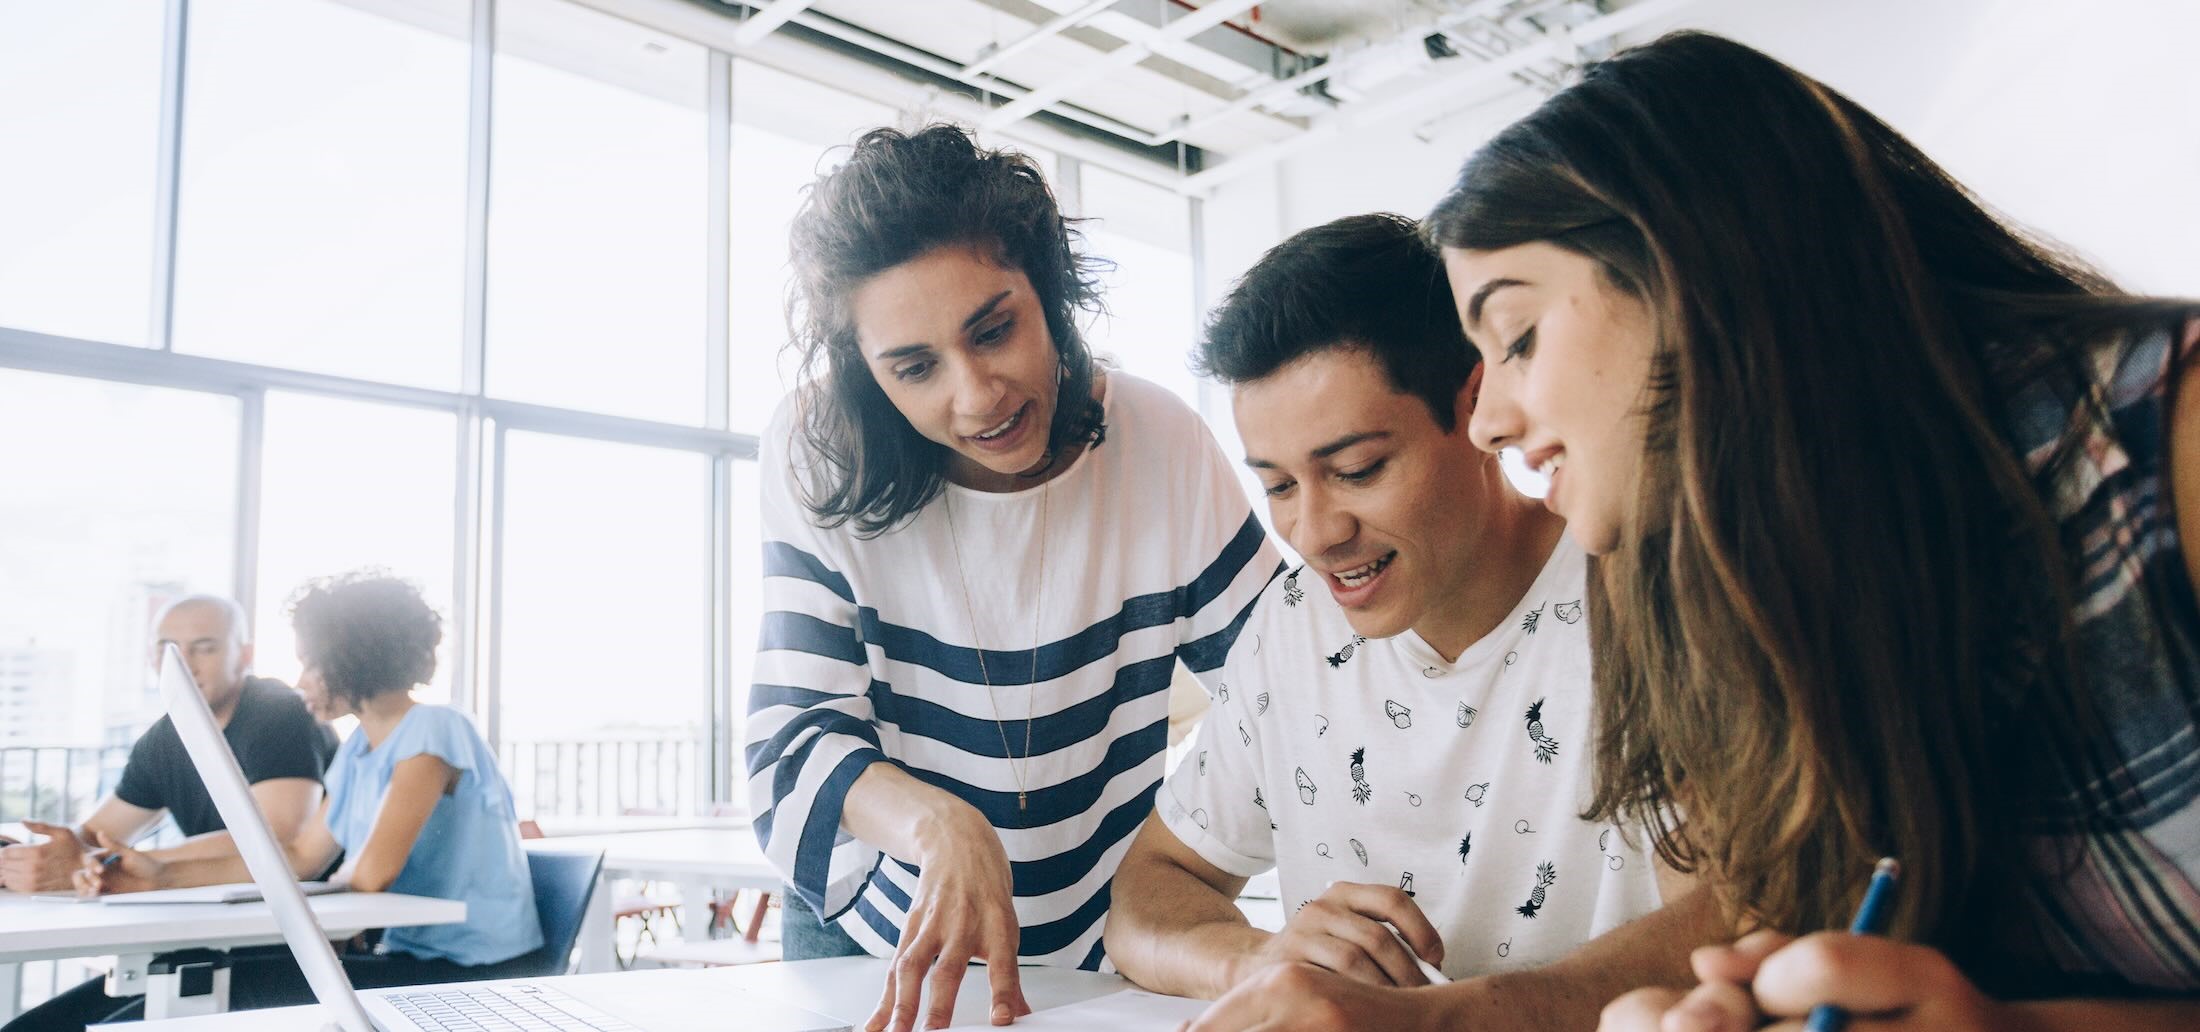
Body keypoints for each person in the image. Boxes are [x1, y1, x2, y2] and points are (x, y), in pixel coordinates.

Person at [1419, 31, 2200, 1032]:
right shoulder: (1718, 599)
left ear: (1699, 265)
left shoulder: (2164, 445)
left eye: (1518, 337)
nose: (1487, 425)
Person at [1106, 213, 1718, 1030]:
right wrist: (1256, 959)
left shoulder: (1642, 597)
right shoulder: (1290, 629)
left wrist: (1443, 1019)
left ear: (1476, 406)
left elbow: (1737, 916)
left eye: (1357, 470)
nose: (1316, 534)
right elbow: (1148, 893)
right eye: (1280, 486)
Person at [746, 123, 1280, 1032]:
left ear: (1051, 292)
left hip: (1100, 936)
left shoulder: (1160, 443)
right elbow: (794, 743)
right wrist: (937, 824)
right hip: (882, 942)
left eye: (994, 330)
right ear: (870, 377)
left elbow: (1290, 692)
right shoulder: (820, 452)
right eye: (915, 368)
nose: (977, 394)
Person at [79, 571, 542, 1011]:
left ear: (352, 658)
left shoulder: (435, 728)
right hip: (409, 956)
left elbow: (374, 873)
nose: (299, 682)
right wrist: (157, 873)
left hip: (475, 970)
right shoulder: (359, 750)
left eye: (309, 664)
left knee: (230, 991)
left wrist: (318, 889)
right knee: (215, 983)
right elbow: (301, 855)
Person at [0, 593, 338, 894]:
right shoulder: (164, 739)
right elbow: (94, 836)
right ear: (151, 659)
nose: (185, 664)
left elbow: (278, 836)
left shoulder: (279, 712)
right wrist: (31, 856)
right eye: (168, 649)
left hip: (318, 922)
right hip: (228, 916)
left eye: (205, 648)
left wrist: (123, 862)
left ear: (243, 655)